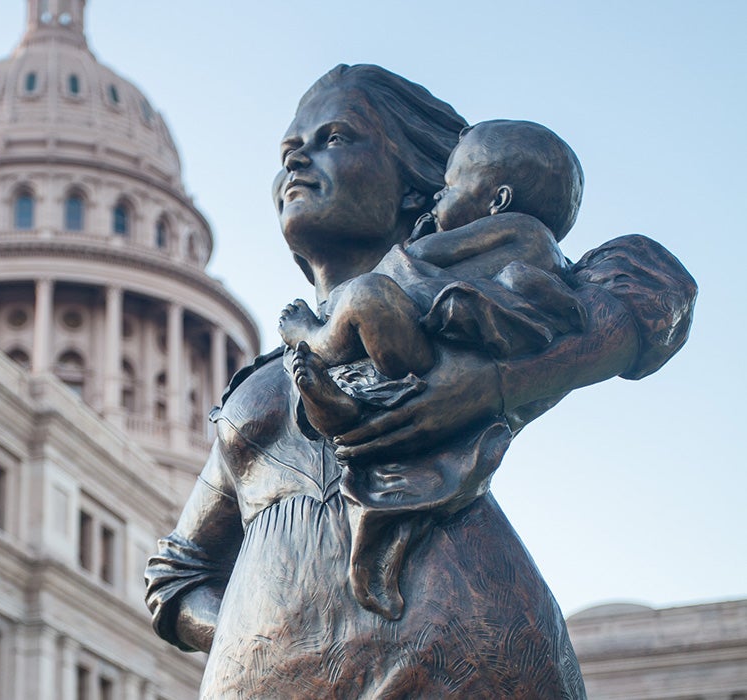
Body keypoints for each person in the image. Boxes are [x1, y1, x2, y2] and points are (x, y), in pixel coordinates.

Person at [145, 64, 695, 698]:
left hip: (470, 662)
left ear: (418, 186)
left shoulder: (463, 311)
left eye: (335, 137)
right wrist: (263, 631)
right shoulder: (254, 391)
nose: (297, 161)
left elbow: (652, 288)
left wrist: (494, 386)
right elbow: (177, 575)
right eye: (289, 150)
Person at [278, 119, 585, 437]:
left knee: (364, 295)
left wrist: (422, 232)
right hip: (421, 347)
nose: (437, 196)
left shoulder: (519, 231)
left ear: (498, 202)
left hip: (418, 331)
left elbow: (419, 255)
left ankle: (310, 337)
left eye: (450, 188)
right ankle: (341, 407)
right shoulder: (544, 252)